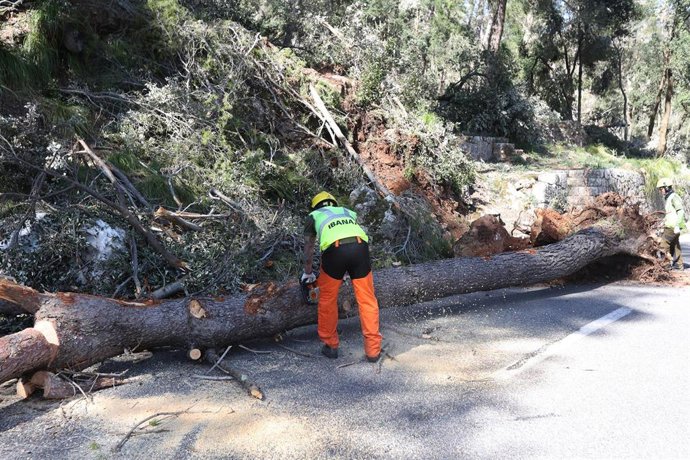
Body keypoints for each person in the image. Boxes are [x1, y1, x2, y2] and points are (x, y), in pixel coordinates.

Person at [302, 191, 383, 361]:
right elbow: (348, 235)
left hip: (335, 252)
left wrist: (308, 272)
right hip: (360, 248)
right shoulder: (347, 212)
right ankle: (373, 351)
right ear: (333, 203)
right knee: (367, 299)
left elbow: (309, 247)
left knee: (327, 299)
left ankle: (331, 345)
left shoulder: (314, 216)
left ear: (315, 206)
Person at [657, 178, 686, 270]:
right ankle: (679, 265)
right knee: (675, 245)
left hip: (672, 227)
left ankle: (665, 265)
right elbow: (670, 213)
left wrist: (678, 225)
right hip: (671, 226)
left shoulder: (674, 197)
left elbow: (680, 211)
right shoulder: (669, 198)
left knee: (663, 245)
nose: (660, 191)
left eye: (661, 189)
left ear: (666, 187)